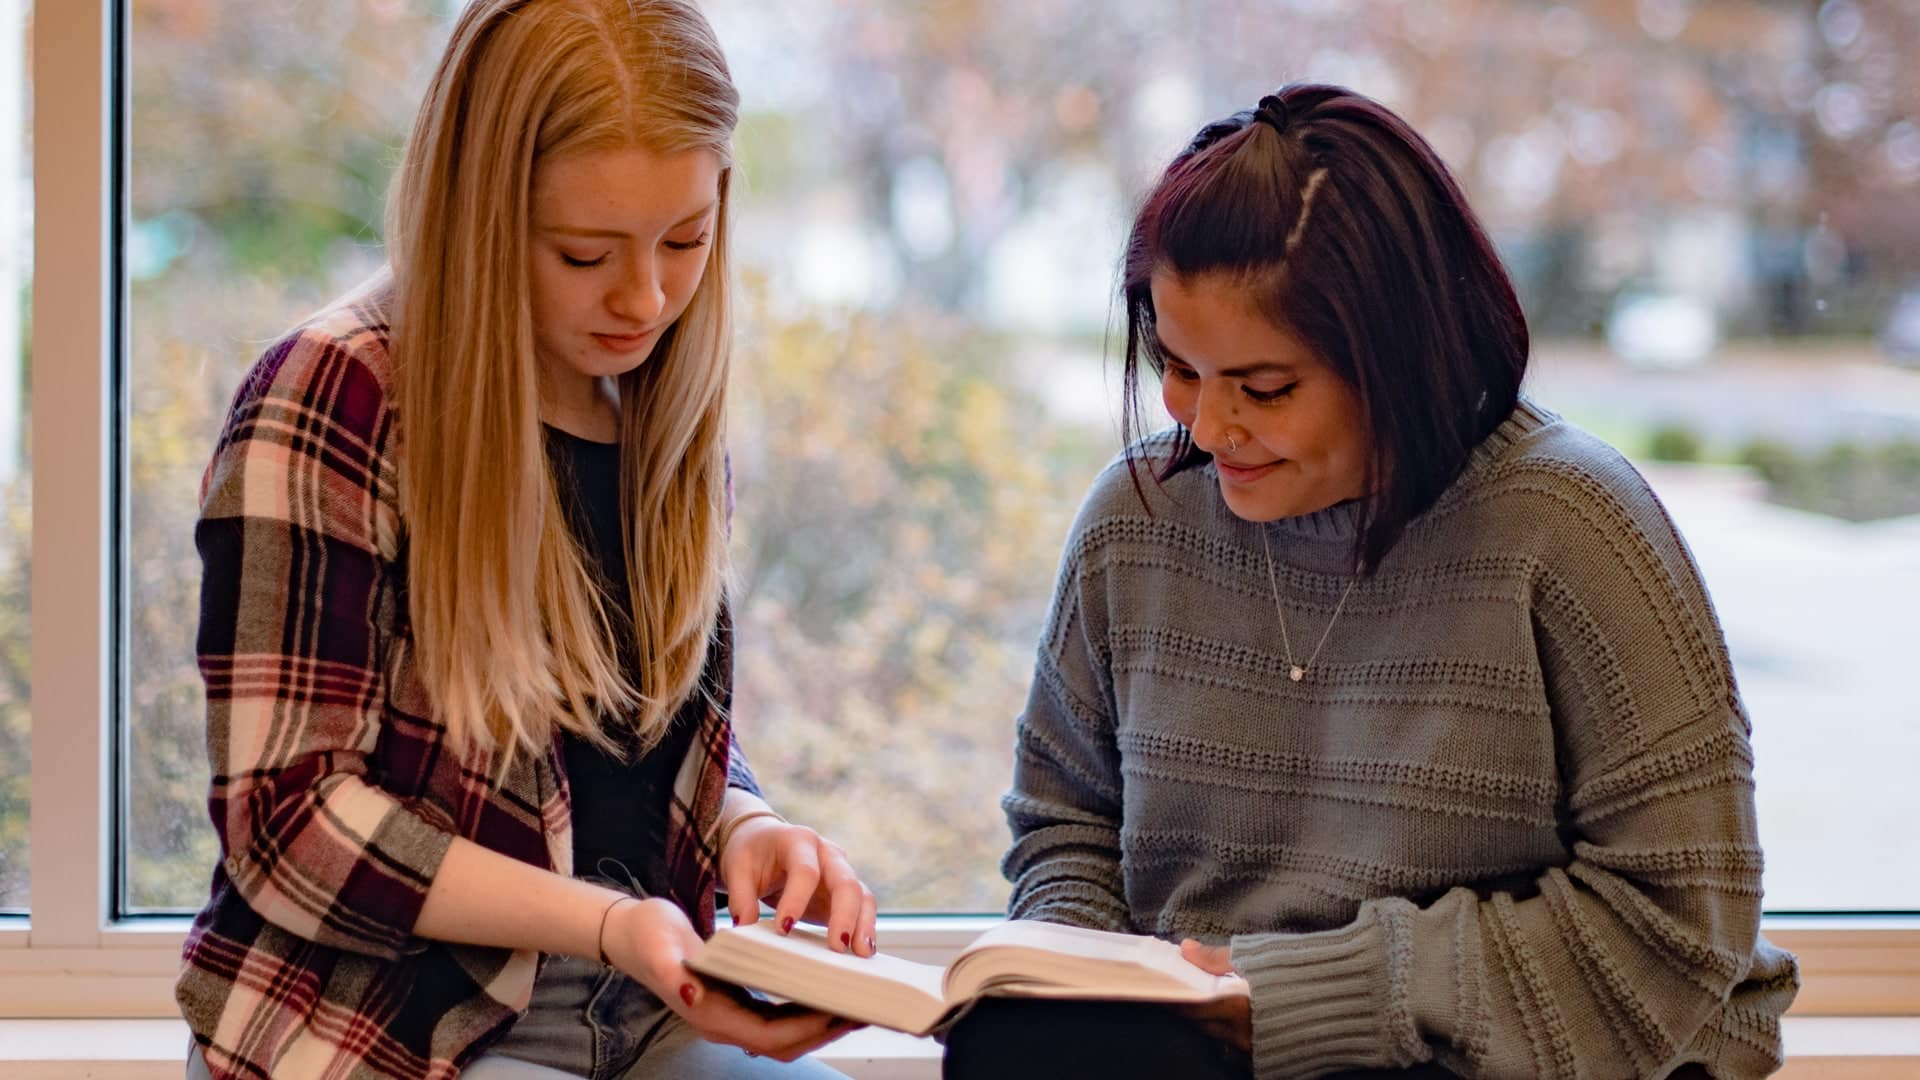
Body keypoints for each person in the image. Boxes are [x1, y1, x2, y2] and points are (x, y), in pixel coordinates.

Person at [944, 84, 1799, 1080]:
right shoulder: (1134, 521)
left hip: (1540, 1053)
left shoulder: (1571, 526)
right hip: (1212, 1042)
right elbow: (1065, 825)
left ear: (1399, 356)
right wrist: (1086, 982)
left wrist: (1292, 998)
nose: (1208, 428)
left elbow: (1679, 925)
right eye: (1178, 368)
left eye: (1265, 389)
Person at [178, 2, 875, 1077]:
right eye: (584, 252)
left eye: (685, 241)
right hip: (389, 1029)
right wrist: (601, 922)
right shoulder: (335, 395)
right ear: (477, 214)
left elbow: (612, 755)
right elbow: (287, 821)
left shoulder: (661, 411)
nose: (644, 299)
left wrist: (745, 827)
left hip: (635, 1004)